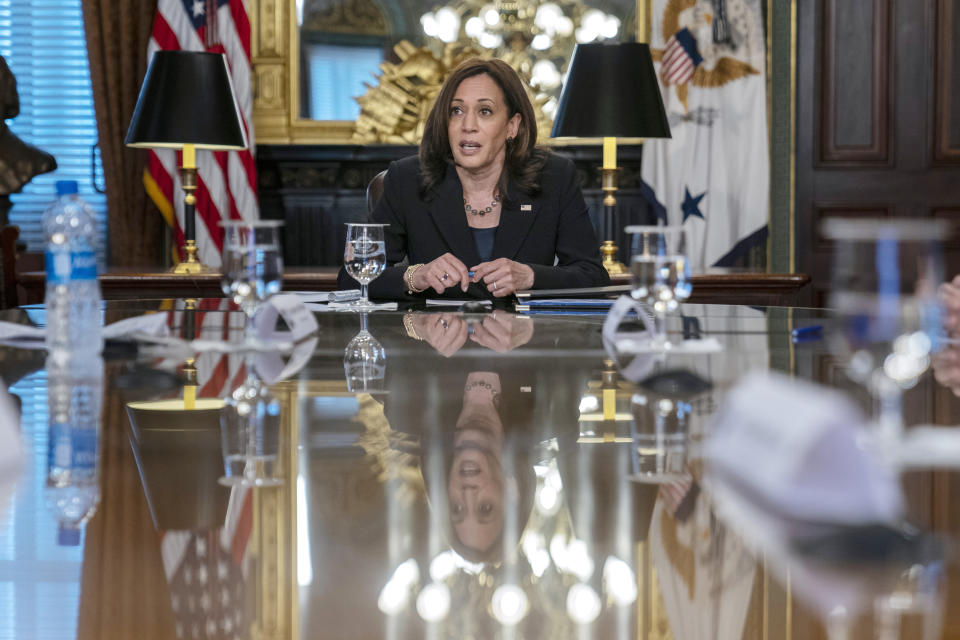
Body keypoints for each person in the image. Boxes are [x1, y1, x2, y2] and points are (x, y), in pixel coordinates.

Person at [337, 58, 609, 300]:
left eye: (485, 112)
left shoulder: (554, 177)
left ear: (512, 126)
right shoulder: (407, 178)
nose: (468, 125)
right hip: (434, 348)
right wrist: (415, 276)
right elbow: (351, 277)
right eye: (457, 111)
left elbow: (593, 276)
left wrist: (530, 277)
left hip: (524, 347)